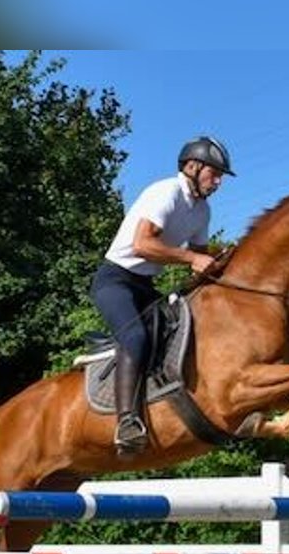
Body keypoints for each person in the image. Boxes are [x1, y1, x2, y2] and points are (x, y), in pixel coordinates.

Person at [89, 135, 235, 456]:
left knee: (181, 333)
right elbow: (143, 245)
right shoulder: (165, 192)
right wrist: (194, 259)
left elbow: (198, 254)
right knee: (136, 339)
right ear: (192, 167)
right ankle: (126, 422)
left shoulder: (201, 210)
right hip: (115, 281)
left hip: (144, 286)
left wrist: (225, 255)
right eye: (215, 172)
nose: (219, 180)